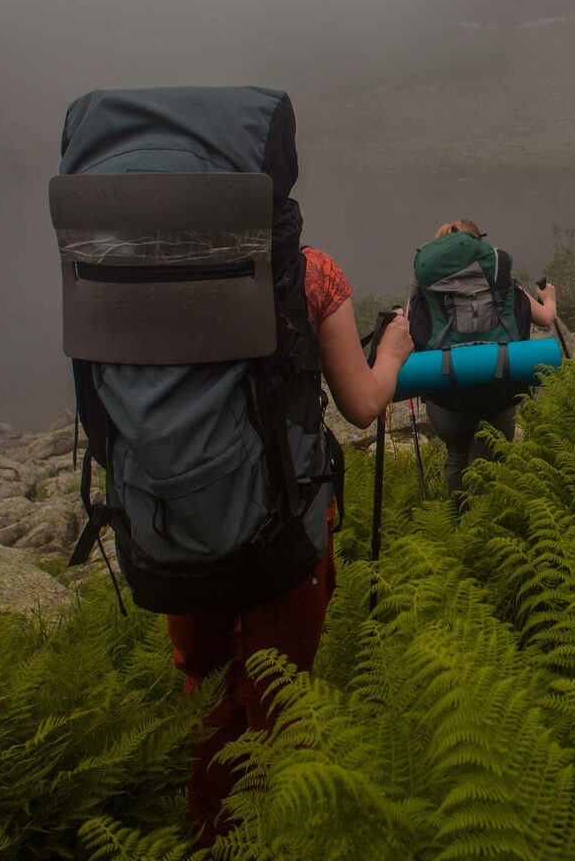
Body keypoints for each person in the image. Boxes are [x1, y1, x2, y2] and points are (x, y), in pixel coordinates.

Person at [165, 246, 411, 842]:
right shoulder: (308, 271)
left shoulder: (140, 270)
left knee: (214, 694)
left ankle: (216, 838)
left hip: (178, 531)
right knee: (281, 698)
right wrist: (392, 352)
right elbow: (362, 405)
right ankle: (288, 834)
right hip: (284, 530)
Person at [408, 219, 556, 515]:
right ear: (478, 244)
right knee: (488, 466)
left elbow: (410, 330)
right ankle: (484, 530)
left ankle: (457, 525)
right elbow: (545, 317)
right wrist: (549, 297)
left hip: (446, 395)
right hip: (497, 390)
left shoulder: (425, 285)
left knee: (456, 456)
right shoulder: (500, 280)